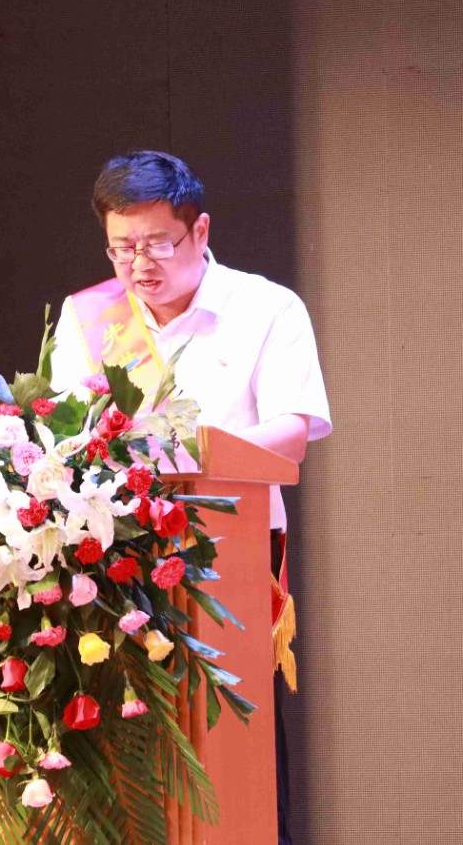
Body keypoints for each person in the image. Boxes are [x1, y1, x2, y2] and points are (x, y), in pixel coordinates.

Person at [48, 149, 331, 845]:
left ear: (199, 231)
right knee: (129, 752)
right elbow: (65, 437)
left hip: (228, 556)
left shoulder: (265, 308)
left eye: (157, 244)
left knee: (234, 747)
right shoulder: (89, 318)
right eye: (122, 248)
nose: (139, 264)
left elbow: (293, 432)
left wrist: (183, 457)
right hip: (117, 561)